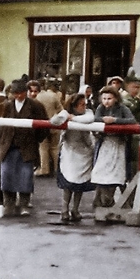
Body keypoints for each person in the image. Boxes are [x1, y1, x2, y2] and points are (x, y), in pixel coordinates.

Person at [0, 77, 49, 217]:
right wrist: (2, 140)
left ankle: (24, 204)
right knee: (6, 175)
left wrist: (35, 140)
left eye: (21, 93)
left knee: (25, 176)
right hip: (9, 145)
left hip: (26, 146)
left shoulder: (36, 106)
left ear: (26, 92)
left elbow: (44, 125)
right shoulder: (6, 105)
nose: (18, 96)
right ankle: (9, 203)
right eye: (15, 93)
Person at [54, 91, 96, 223]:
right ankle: (64, 209)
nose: (83, 107)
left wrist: (73, 118)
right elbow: (54, 121)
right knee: (69, 183)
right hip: (70, 153)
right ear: (74, 105)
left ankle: (75, 209)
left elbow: (89, 119)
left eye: (84, 104)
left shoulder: (88, 114)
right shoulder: (65, 113)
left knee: (80, 184)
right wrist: (65, 115)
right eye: (80, 105)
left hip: (84, 153)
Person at [91, 85, 133, 209]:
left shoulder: (123, 108)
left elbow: (132, 120)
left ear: (115, 98)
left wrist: (115, 120)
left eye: (109, 98)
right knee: (101, 169)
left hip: (118, 143)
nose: (106, 101)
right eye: (104, 98)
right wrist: (103, 120)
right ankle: (101, 199)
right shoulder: (100, 108)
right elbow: (95, 119)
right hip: (104, 143)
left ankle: (120, 201)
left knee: (118, 171)